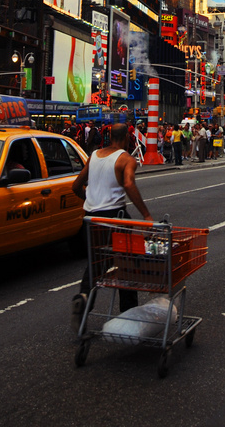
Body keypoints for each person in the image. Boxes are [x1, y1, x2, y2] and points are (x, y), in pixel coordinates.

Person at [70, 123, 152, 328]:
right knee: (127, 262)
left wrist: (90, 199)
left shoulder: (94, 155)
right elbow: (129, 184)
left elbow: (76, 186)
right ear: (126, 137)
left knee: (96, 263)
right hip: (115, 216)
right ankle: (128, 311)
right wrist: (146, 214)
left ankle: (84, 296)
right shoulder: (126, 159)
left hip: (90, 217)